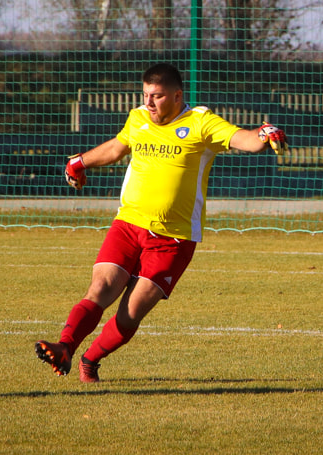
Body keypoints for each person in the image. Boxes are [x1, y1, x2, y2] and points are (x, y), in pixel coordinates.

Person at [35, 63, 288, 383]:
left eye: (157, 96)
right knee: (100, 287)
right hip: (129, 224)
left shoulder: (201, 123)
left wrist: (264, 134)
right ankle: (66, 346)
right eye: (146, 95)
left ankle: (90, 358)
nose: (149, 103)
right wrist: (79, 161)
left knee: (130, 311)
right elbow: (116, 147)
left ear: (177, 96)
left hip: (174, 238)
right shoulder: (138, 118)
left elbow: (244, 139)